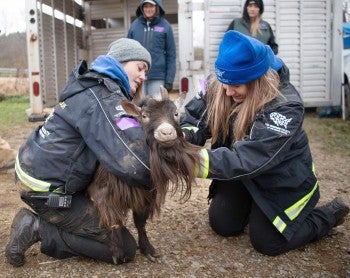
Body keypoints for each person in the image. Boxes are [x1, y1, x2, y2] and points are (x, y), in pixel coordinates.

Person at [181, 30, 349, 256]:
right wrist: (180, 138)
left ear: (258, 81)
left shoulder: (286, 105)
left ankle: (327, 216)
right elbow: (194, 119)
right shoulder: (225, 80)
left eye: (236, 87)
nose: (228, 92)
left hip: (280, 179)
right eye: (224, 84)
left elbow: (251, 159)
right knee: (223, 225)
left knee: (268, 243)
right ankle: (254, 207)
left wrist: (184, 160)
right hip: (242, 174)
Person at [5, 38, 153, 266]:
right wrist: (161, 170)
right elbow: (132, 161)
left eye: (146, 71)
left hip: (37, 171)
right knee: (123, 248)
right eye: (140, 68)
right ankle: (37, 228)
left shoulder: (90, 85)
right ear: (121, 62)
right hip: (49, 191)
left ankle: (51, 221)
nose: (144, 76)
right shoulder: (105, 97)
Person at [127, 0, 176, 98]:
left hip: (157, 78)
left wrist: (169, 80)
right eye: (146, 6)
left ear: (157, 7)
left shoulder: (165, 26)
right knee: (138, 110)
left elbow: (171, 54)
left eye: (151, 6)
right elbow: (127, 52)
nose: (148, 9)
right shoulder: (134, 26)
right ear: (141, 8)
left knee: (156, 109)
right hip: (137, 77)